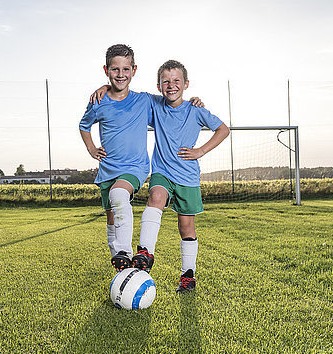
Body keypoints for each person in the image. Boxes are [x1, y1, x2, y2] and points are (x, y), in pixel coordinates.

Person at [92, 60, 230, 292]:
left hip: (187, 176)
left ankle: (188, 275)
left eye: (176, 80)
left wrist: (201, 151)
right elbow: (125, 93)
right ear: (158, 86)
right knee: (155, 196)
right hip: (162, 172)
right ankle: (145, 252)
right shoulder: (153, 106)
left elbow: (223, 129)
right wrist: (105, 88)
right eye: (165, 81)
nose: (171, 85)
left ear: (186, 84)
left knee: (186, 227)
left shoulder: (195, 109)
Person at [79, 44, 151, 271]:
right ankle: (122, 269)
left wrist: (194, 100)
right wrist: (91, 149)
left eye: (126, 69)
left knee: (119, 194)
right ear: (106, 70)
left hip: (135, 167)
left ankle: (125, 252)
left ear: (134, 70)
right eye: (115, 69)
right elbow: (84, 126)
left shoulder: (144, 101)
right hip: (108, 169)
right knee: (112, 219)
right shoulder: (98, 101)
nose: (121, 74)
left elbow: (172, 102)